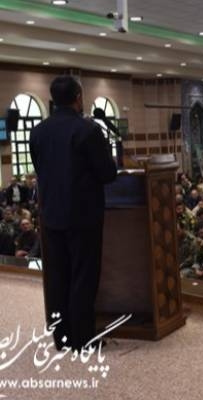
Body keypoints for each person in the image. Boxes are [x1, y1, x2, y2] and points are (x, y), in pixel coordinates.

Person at [29, 75, 117, 351]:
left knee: (57, 277)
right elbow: (107, 173)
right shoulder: (88, 130)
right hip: (83, 216)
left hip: (50, 215)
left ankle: (61, 337)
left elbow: (41, 170)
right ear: (78, 97)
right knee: (82, 275)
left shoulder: (38, 131)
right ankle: (83, 339)